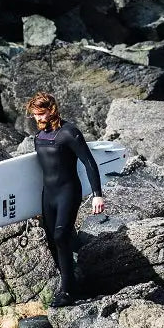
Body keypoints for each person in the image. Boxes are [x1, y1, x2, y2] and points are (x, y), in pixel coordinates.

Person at [25, 91, 104, 307]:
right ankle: (71, 278)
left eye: (41, 114)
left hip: (68, 191)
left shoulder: (69, 133)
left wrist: (97, 195)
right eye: (35, 115)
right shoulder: (39, 137)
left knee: (61, 235)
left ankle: (67, 292)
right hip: (48, 194)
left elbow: (89, 163)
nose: (38, 119)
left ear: (52, 110)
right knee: (52, 239)